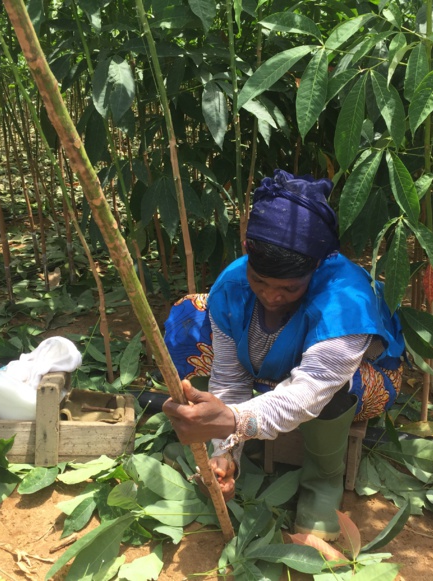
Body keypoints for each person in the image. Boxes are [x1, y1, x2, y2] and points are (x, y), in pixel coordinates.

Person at [162, 169, 405, 541]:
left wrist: (232, 419)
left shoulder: (346, 301)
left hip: (355, 383)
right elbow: (229, 377)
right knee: (190, 316)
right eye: (260, 282)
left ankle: (322, 482)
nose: (272, 296)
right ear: (248, 257)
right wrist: (225, 452)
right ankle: (228, 443)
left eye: (289, 288)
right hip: (270, 371)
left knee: (341, 386)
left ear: (318, 266)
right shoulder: (233, 283)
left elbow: (309, 392)